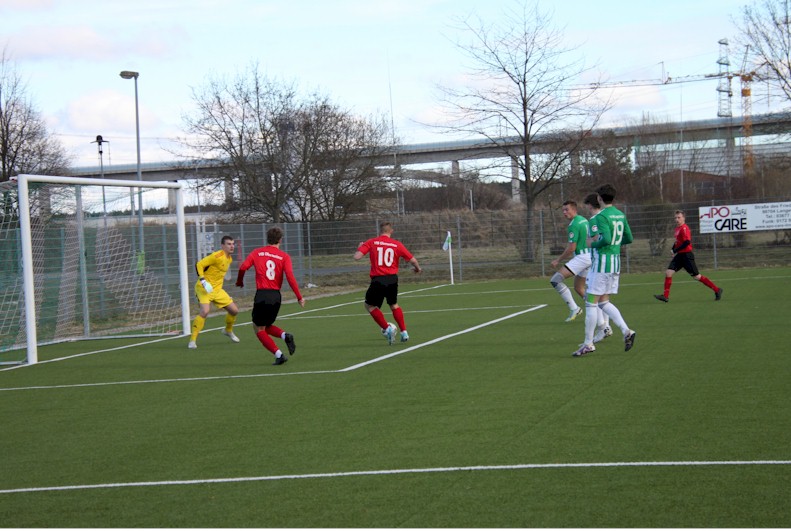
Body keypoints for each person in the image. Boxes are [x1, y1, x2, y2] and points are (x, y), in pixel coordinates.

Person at [573, 184, 636, 357]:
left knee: (590, 303)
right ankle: (626, 331)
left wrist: (593, 243)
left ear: (599, 198)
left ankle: (588, 344)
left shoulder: (601, 216)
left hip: (601, 264)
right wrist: (615, 243)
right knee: (603, 302)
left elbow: (606, 239)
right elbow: (629, 238)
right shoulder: (620, 214)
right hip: (615, 263)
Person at [235, 226, 306, 366]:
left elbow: (243, 267)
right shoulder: (284, 256)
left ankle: (279, 355)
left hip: (262, 294)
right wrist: (299, 297)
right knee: (265, 325)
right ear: (280, 240)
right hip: (276, 296)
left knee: (258, 327)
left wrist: (239, 281)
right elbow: (290, 277)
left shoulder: (257, 252)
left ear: (267, 238)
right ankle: (285, 336)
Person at [354, 221, 422, 345]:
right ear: (391, 231)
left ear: (380, 231)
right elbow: (413, 260)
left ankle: (387, 328)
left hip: (378, 279)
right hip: (392, 279)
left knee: (369, 306)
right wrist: (418, 268)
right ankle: (404, 332)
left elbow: (357, 257)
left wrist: (360, 247)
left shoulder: (372, 242)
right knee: (394, 305)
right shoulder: (397, 244)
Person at [654, 210, 723, 303]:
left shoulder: (684, 228)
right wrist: (673, 249)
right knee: (668, 272)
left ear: (683, 218)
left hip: (687, 256)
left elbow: (687, 242)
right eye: (675, 218)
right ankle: (665, 296)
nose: (677, 219)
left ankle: (717, 290)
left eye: (679, 217)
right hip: (679, 256)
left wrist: (675, 250)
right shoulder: (677, 229)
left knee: (697, 277)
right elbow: (677, 241)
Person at [188, 235, 240, 349]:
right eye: (229, 244)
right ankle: (192, 340)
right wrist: (203, 281)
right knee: (205, 311)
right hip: (204, 288)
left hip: (217, 290)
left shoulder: (229, 259)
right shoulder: (216, 256)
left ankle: (228, 330)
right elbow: (199, 264)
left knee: (234, 311)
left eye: (233, 244)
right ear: (222, 246)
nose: (232, 246)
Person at [550, 200, 589, 322]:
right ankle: (597, 308)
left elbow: (571, 248)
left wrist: (558, 260)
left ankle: (574, 308)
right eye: (563, 210)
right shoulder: (584, 220)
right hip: (590, 257)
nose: (564, 212)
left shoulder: (573, 225)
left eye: (567, 210)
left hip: (582, 258)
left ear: (574, 210)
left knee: (555, 280)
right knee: (579, 288)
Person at [582, 193, 612, 344]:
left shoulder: (595, 219)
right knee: (603, 297)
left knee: (593, 297)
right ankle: (606, 327)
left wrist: (589, 242)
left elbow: (595, 238)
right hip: (609, 262)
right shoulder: (606, 217)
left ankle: (604, 328)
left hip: (598, 263)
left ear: (590, 205)